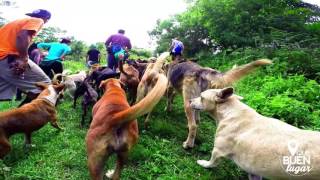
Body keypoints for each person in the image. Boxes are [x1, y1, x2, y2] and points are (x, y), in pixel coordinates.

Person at [0, 9, 51, 104]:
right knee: (45, 85)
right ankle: (20, 117)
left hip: (2, 58)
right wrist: (23, 57)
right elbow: (22, 36)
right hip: (7, 56)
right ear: (46, 19)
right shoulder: (38, 20)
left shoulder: (15, 23)